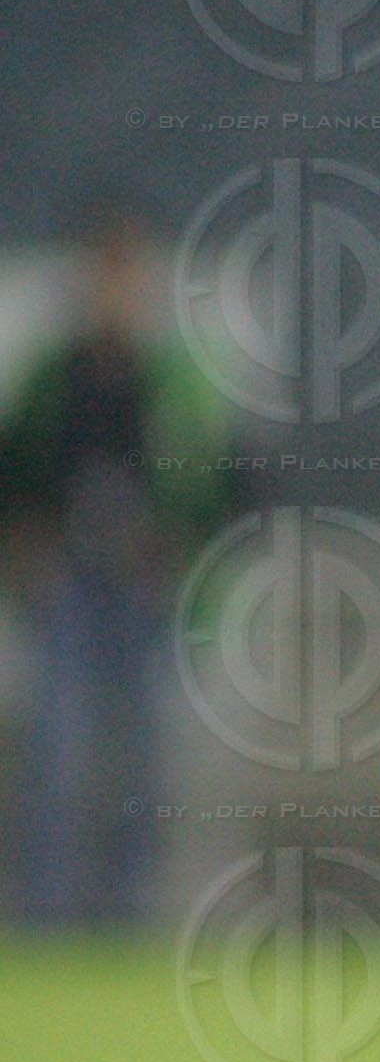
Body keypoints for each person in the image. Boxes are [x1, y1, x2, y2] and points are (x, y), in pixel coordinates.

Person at [0, 198, 244, 926]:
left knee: (149, 756)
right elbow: (16, 476)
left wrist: (175, 549)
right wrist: (30, 549)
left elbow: (224, 484)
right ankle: (50, 914)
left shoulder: (174, 380)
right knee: (60, 752)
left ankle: (138, 912)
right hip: (70, 586)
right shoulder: (55, 378)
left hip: (148, 591)